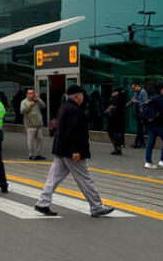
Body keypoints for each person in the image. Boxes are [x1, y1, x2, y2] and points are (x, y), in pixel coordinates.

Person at [34, 85, 114, 217]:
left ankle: (42, 203)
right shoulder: (75, 109)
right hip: (71, 151)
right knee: (85, 179)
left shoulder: (64, 107)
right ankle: (97, 207)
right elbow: (73, 131)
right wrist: (76, 150)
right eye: (82, 94)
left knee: (53, 178)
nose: (83, 96)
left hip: (61, 149)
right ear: (77, 95)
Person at [20, 89, 47, 160]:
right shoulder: (24, 102)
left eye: (33, 93)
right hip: (30, 125)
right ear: (27, 94)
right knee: (30, 141)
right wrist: (30, 106)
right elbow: (22, 111)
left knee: (40, 140)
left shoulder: (36, 101)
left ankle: (38, 154)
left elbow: (43, 105)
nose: (32, 95)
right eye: (30, 93)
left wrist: (38, 99)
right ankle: (31, 155)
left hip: (39, 124)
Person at [105, 87, 127, 155]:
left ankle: (117, 147)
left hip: (114, 119)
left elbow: (113, 107)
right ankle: (118, 147)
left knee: (112, 133)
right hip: (120, 119)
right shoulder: (123, 98)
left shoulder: (116, 98)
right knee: (118, 133)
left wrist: (111, 107)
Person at [126, 80, 148, 148]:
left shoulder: (143, 92)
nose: (133, 90)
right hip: (137, 112)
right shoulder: (136, 93)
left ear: (137, 86)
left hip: (141, 113)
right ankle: (140, 143)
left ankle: (138, 143)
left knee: (140, 128)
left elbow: (145, 102)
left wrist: (136, 101)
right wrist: (125, 106)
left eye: (133, 88)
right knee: (139, 128)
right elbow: (131, 101)